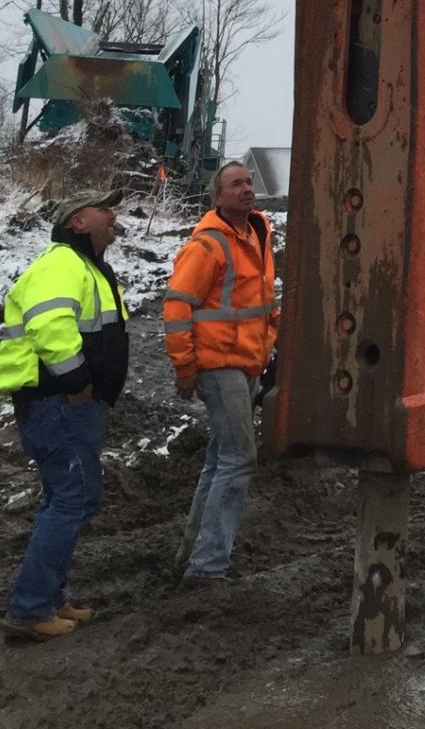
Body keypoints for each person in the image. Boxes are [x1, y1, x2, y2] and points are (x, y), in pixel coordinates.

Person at [0, 189, 128, 642]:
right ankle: (30, 608)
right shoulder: (62, 264)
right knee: (73, 499)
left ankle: (47, 597)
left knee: (68, 499)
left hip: (64, 405)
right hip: (60, 404)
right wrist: (78, 384)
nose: (113, 213)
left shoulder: (85, 267)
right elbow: (49, 326)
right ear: (77, 222)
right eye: (104, 207)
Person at [163, 159, 279, 582]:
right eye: (235, 185)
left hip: (247, 361)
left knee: (220, 459)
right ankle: (208, 566)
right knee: (238, 459)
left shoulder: (258, 234)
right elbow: (177, 307)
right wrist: (185, 366)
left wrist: (271, 344)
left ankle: (194, 554)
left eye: (249, 182)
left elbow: (262, 302)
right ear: (217, 197)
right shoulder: (207, 245)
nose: (246, 189)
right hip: (220, 364)